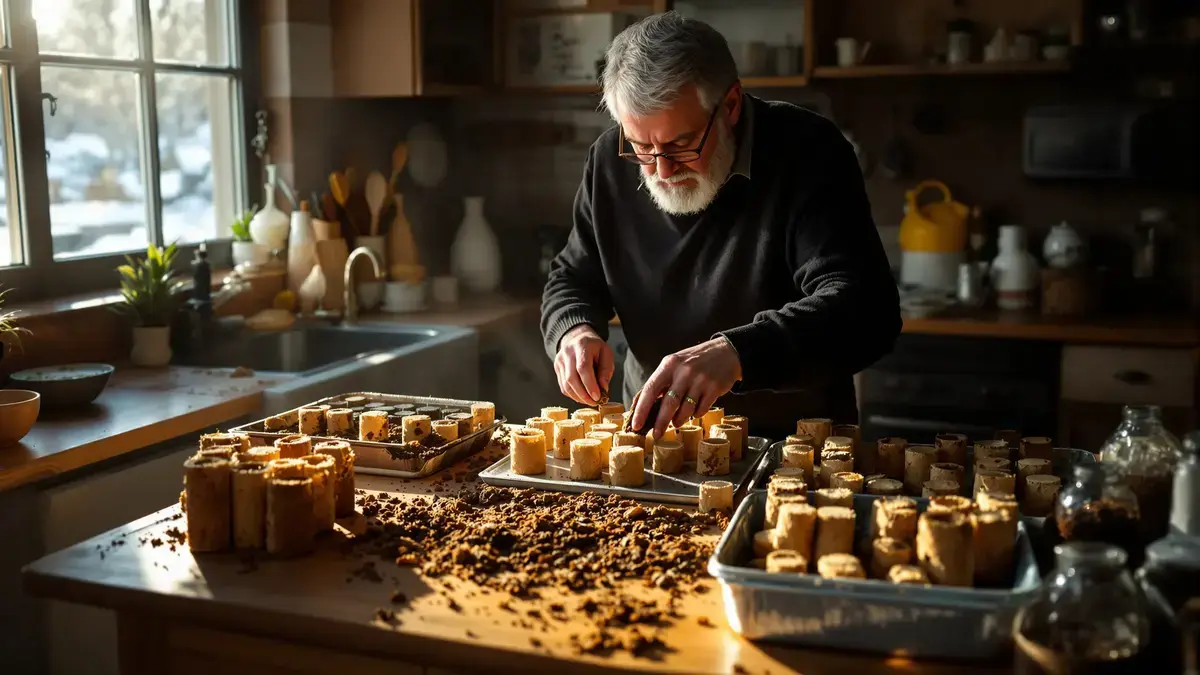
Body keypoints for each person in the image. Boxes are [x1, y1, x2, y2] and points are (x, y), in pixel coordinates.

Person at [540, 12, 901, 442]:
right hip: (658, 435)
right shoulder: (608, 162)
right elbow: (573, 276)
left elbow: (865, 309)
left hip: (793, 442)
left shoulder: (808, 151)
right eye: (641, 147)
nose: (661, 169)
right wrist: (573, 329)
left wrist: (737, 354)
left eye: (680, 144)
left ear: (729, 105)